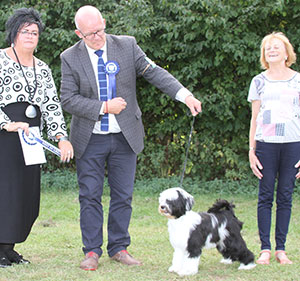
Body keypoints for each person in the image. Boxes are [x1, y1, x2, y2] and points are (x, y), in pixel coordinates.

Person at [60, 5, 201, 271]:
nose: (98, 37)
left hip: (125, 136)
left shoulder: (126, 46)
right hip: (89, 138)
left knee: (123, 195)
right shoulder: (69, 57)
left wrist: (185, 95)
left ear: (104, 22)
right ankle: (91, 251)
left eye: (100, 29)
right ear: (79, 33)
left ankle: (119, 248)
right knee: (89, 195)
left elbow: (155, 72)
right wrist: (103, 107)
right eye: (90, 34)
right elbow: (68, 99)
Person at [0, 8, 73, 268]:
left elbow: (52, 106)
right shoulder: (0, 60)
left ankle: (9, 248)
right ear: (14, 34)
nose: (31, 36)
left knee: (25, 194)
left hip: (32, 137)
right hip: (5, 137)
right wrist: (7, 124)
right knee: (5, 192)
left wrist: (61, 137)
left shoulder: (42, 69)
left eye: (34, 32)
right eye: (25, 31)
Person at [248, 32, 300, 265]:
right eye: (267, 47)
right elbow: (254, 118)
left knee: (286, 196)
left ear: (287, 52)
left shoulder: (298, 80)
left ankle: (281, 249)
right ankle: (265, 249)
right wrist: (251, 149)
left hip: (293, 145)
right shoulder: (258, 81)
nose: (271, 50)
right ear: (264, 55)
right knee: (265, 196)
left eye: (276, 47)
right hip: (266, 146)